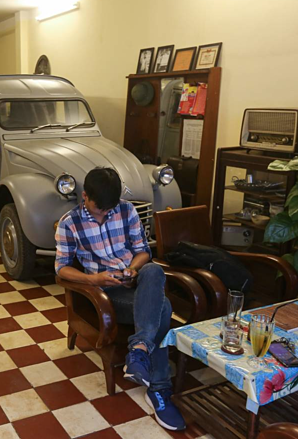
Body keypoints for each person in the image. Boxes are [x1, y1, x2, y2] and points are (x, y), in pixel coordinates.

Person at [55, 167, 185, 432]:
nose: (103, 213)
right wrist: (97, 279)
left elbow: (143, 251)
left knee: (153, 269)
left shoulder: (126, 211)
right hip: (105, 292)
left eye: (108, 208)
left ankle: (138, 352)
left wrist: (133, 270)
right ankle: (159, 390)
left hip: (136, 283)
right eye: (98, 208)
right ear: (84, 196)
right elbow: (61, 268)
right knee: (164, 308)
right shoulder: (70, 222)